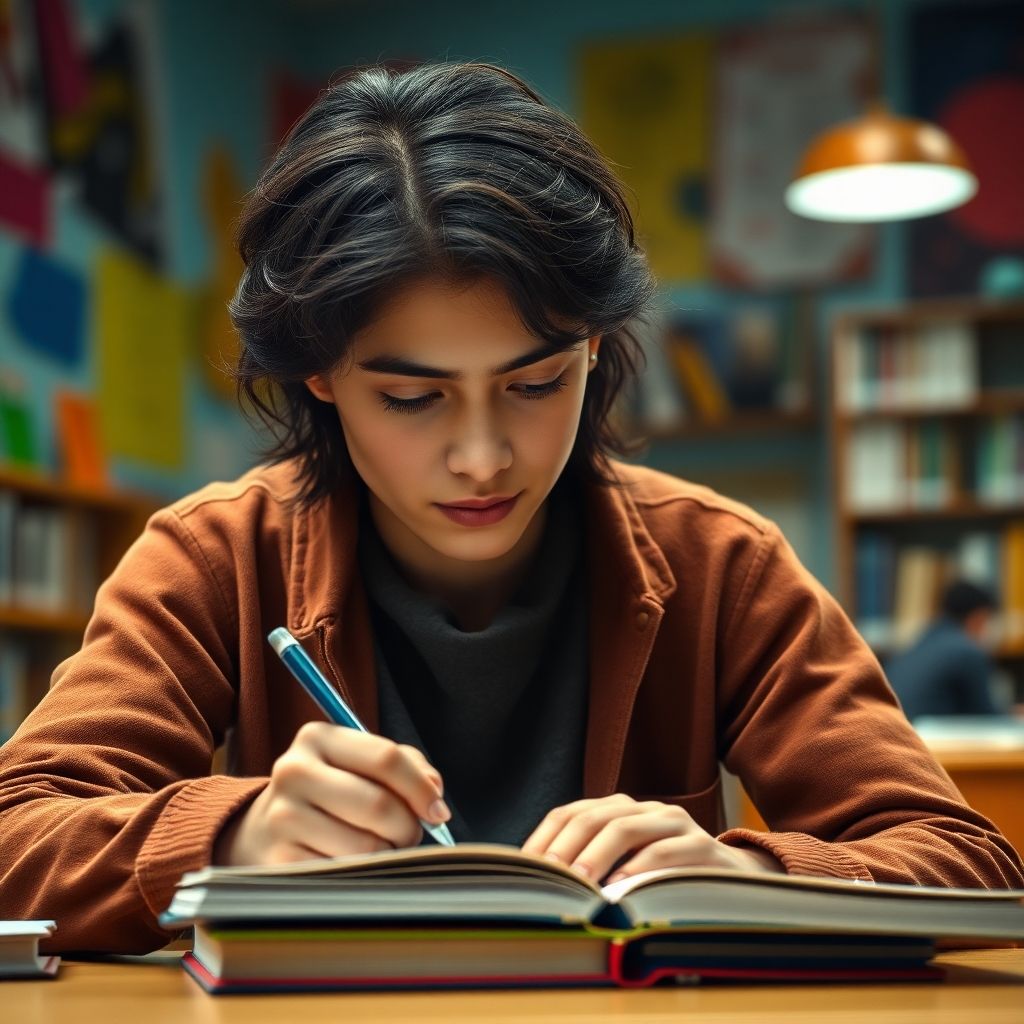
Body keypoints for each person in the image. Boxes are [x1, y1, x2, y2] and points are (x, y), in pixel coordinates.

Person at [0, 62, 1021, 956]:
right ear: (319, 373)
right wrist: (237, 839)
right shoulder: (216, 559)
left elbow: (967, 862)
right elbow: (18, 833)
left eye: (535, 383)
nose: (483, 456)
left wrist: (737, 873)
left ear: (592, 349)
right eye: (411, 397)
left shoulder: (719, 563)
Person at [885, 579, 1007, 723]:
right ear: (978, 617)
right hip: (933, 741)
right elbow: (988, 717)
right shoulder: (967, 652)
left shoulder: (918, 644)